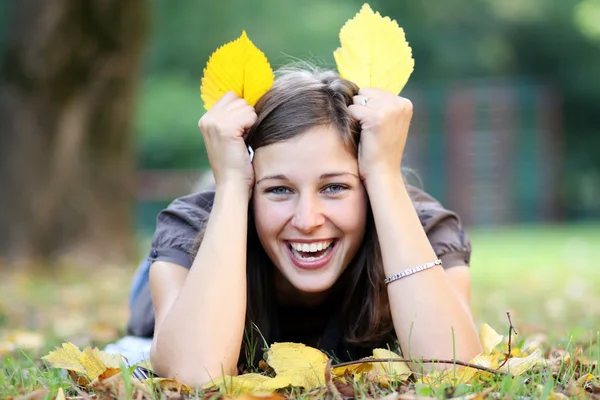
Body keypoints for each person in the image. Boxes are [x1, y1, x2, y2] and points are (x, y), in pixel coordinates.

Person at [124, 65, 482, 386]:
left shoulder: (423, 227)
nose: (308, 221)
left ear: (368, 186)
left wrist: (385, 175)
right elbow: (195, 375)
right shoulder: (192, 227)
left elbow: (453, 370)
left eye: (334, 187)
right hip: (204, 245)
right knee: (151, 314)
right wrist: (232, 183)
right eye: (279, 189)